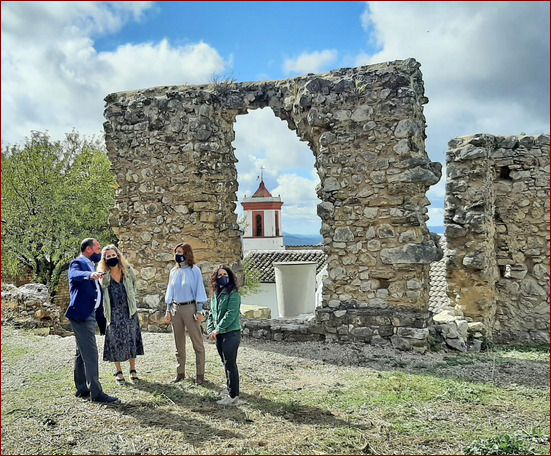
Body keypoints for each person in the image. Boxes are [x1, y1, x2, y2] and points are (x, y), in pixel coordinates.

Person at [65, 238, 118, 403]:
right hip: (82, 316)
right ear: (88, 249)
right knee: (90, 354)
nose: (99, 251)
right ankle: (96, 393)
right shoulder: (78, 263)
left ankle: (81, 389)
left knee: (81, 353)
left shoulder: (90, 264)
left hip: (89, 315)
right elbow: (74, 274)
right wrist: (90, 275)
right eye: (98, 248)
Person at [97, 244, 144, 383]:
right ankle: (118, 371)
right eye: (108, 256)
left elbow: (134, 283)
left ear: (118, 256)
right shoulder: (103, 275)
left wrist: (131, 296)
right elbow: (101, 289)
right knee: (115, 341)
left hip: (129, 310)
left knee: (131, 339)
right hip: (113, 312)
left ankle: (133, 369)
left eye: (113, 255)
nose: (112, 258)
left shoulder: (127, 270)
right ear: (104, 259)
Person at [164, 242, 208, 385]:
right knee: (179, 343)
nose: (178, 255)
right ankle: (180, 373)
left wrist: (200, 310)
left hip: (190, 308)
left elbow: (199, 290)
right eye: (176, 252)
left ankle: (200, 375)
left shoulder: (194, 270)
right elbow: (170, 292)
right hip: (176, 309)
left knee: (197, 343)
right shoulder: (173, 271)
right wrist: (168, 310)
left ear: (187, 254)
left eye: (181, 252)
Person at [207, 265, 242, 406]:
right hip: (219, 335)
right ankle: (230, 390)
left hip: (231, 333)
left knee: (230, 364)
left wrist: (219, 328)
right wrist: (211, 329)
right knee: (225, 363)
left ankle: (233, 396)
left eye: (225, 274)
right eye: (219, 275)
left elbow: (231, 314)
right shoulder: (216, 295)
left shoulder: (233, 294)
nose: (223, 277)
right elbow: (212, 314)